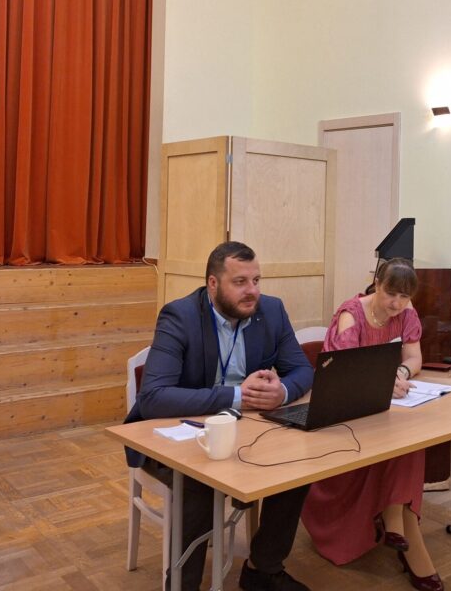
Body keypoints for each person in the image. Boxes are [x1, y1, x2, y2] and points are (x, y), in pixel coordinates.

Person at [125, 241, 314, 591]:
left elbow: (303, 370)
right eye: (240, 282)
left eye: (256, 280)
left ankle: (262, 569)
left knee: (298, 463)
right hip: (179, 433)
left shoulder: (271, 311)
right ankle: (182, 585)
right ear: (213, 284)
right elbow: (152, 397)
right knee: (199, 480)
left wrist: (283, 392)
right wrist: (239, 396)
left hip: (245, 430)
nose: (252, 291)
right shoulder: (180, 316)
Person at [301, 258, 444, 591]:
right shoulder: (351, 315)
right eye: (391, 294)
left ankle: (395, 515)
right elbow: (343, 373)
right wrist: (382, 382)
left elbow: (414, 358)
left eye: (404, 297)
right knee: (405, 443)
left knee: (411, 439)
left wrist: (400, 373)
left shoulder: (406, 314)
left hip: (379, 409)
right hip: (343, 416)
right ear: (377, 284)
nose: (396, 304)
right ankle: (400, 525)